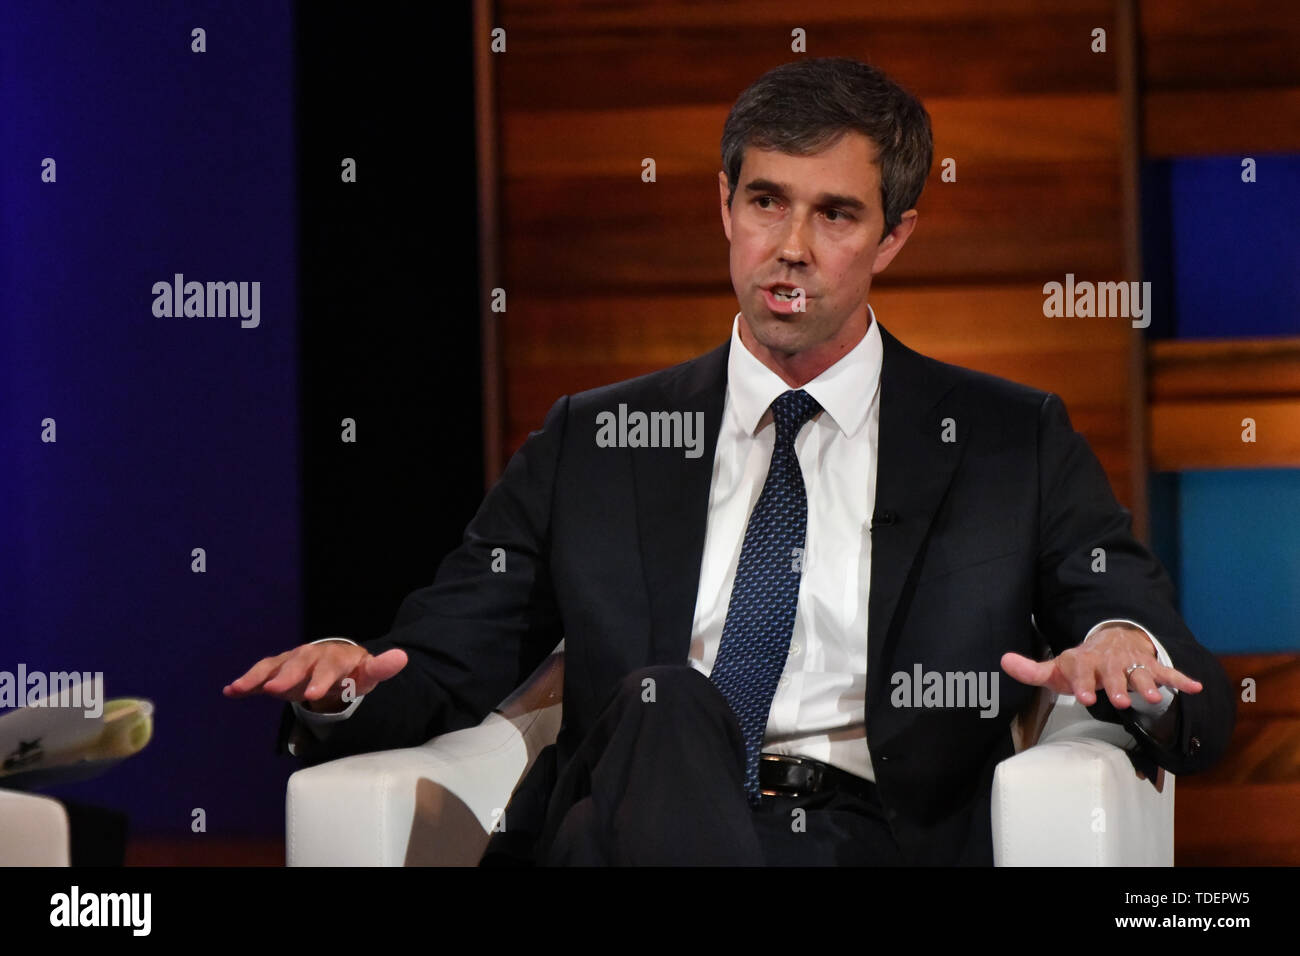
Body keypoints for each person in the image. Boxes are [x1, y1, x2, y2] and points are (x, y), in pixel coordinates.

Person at [225, 57, 1234, 865]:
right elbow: (443, 660)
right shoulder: (597, 437)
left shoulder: (1008, 440)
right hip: (617, 822)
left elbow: (1163, 653)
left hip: (871, 838)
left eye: (834, 214)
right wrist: (343, 687)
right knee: (669, 702)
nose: (788, 246)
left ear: (893, 236)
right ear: (723, 206)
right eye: (765, 201)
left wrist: (1119, 648)